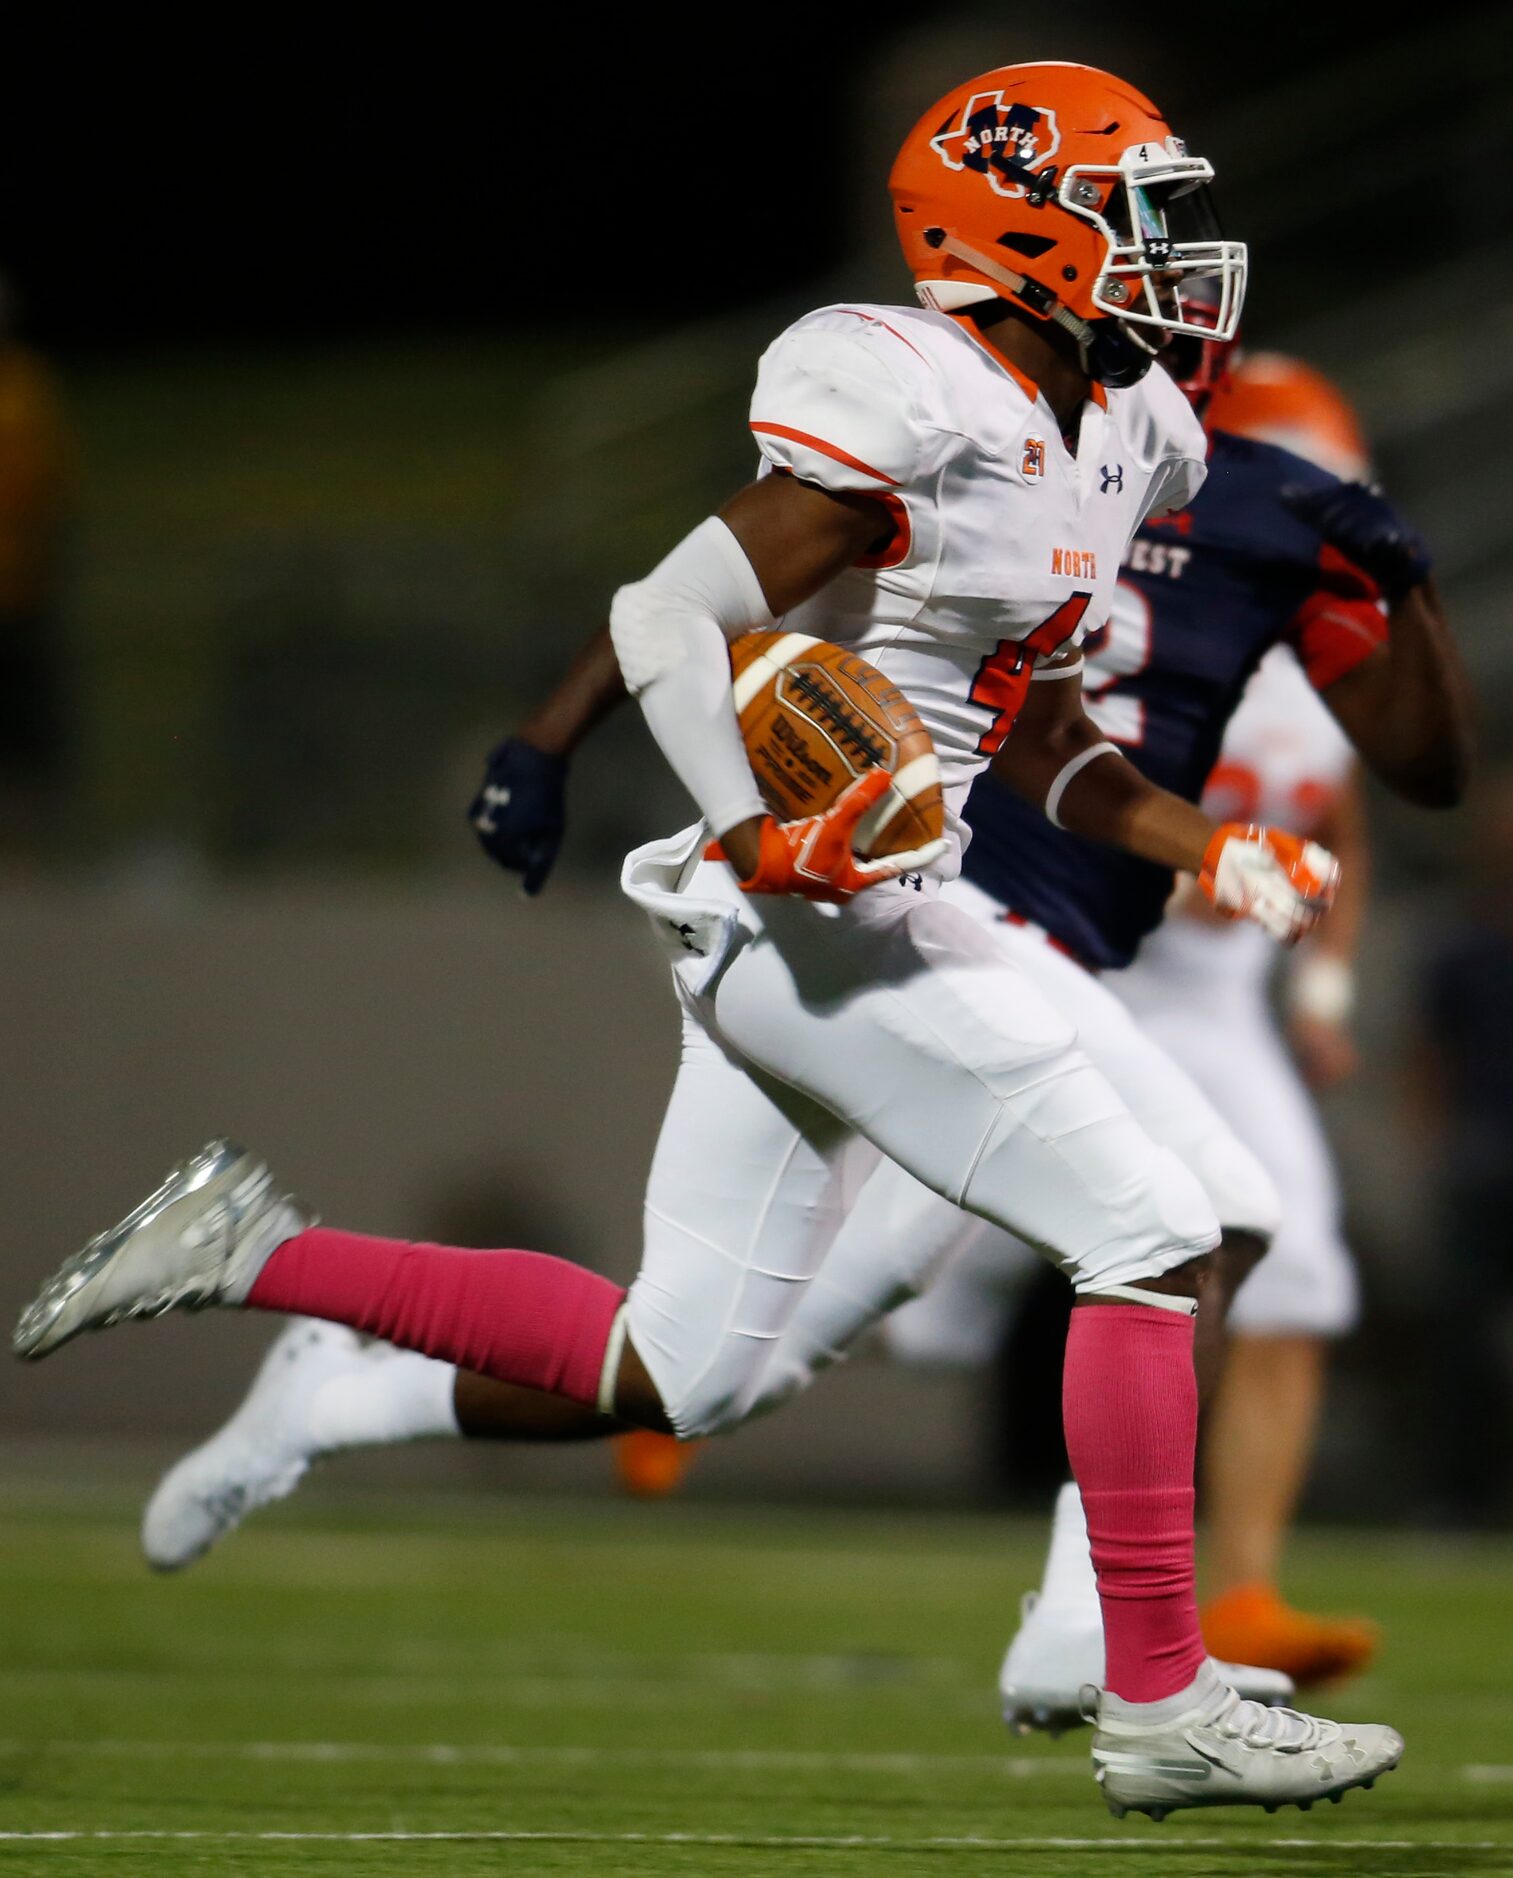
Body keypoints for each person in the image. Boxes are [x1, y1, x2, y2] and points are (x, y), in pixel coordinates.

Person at [14, 62, 1405, 1820]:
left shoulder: (1126, 426)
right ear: (1016, 231)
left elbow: (1040, 736)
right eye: (1133, 209)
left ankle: (257, 1249)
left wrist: (1208, 845)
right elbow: (667, 608)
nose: (1168, 249)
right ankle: (1152, 1696)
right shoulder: (917, 393)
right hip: (819, 911)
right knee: (1152, 1231)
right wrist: (749, 820)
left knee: (668, 1368)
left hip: (864, 900)